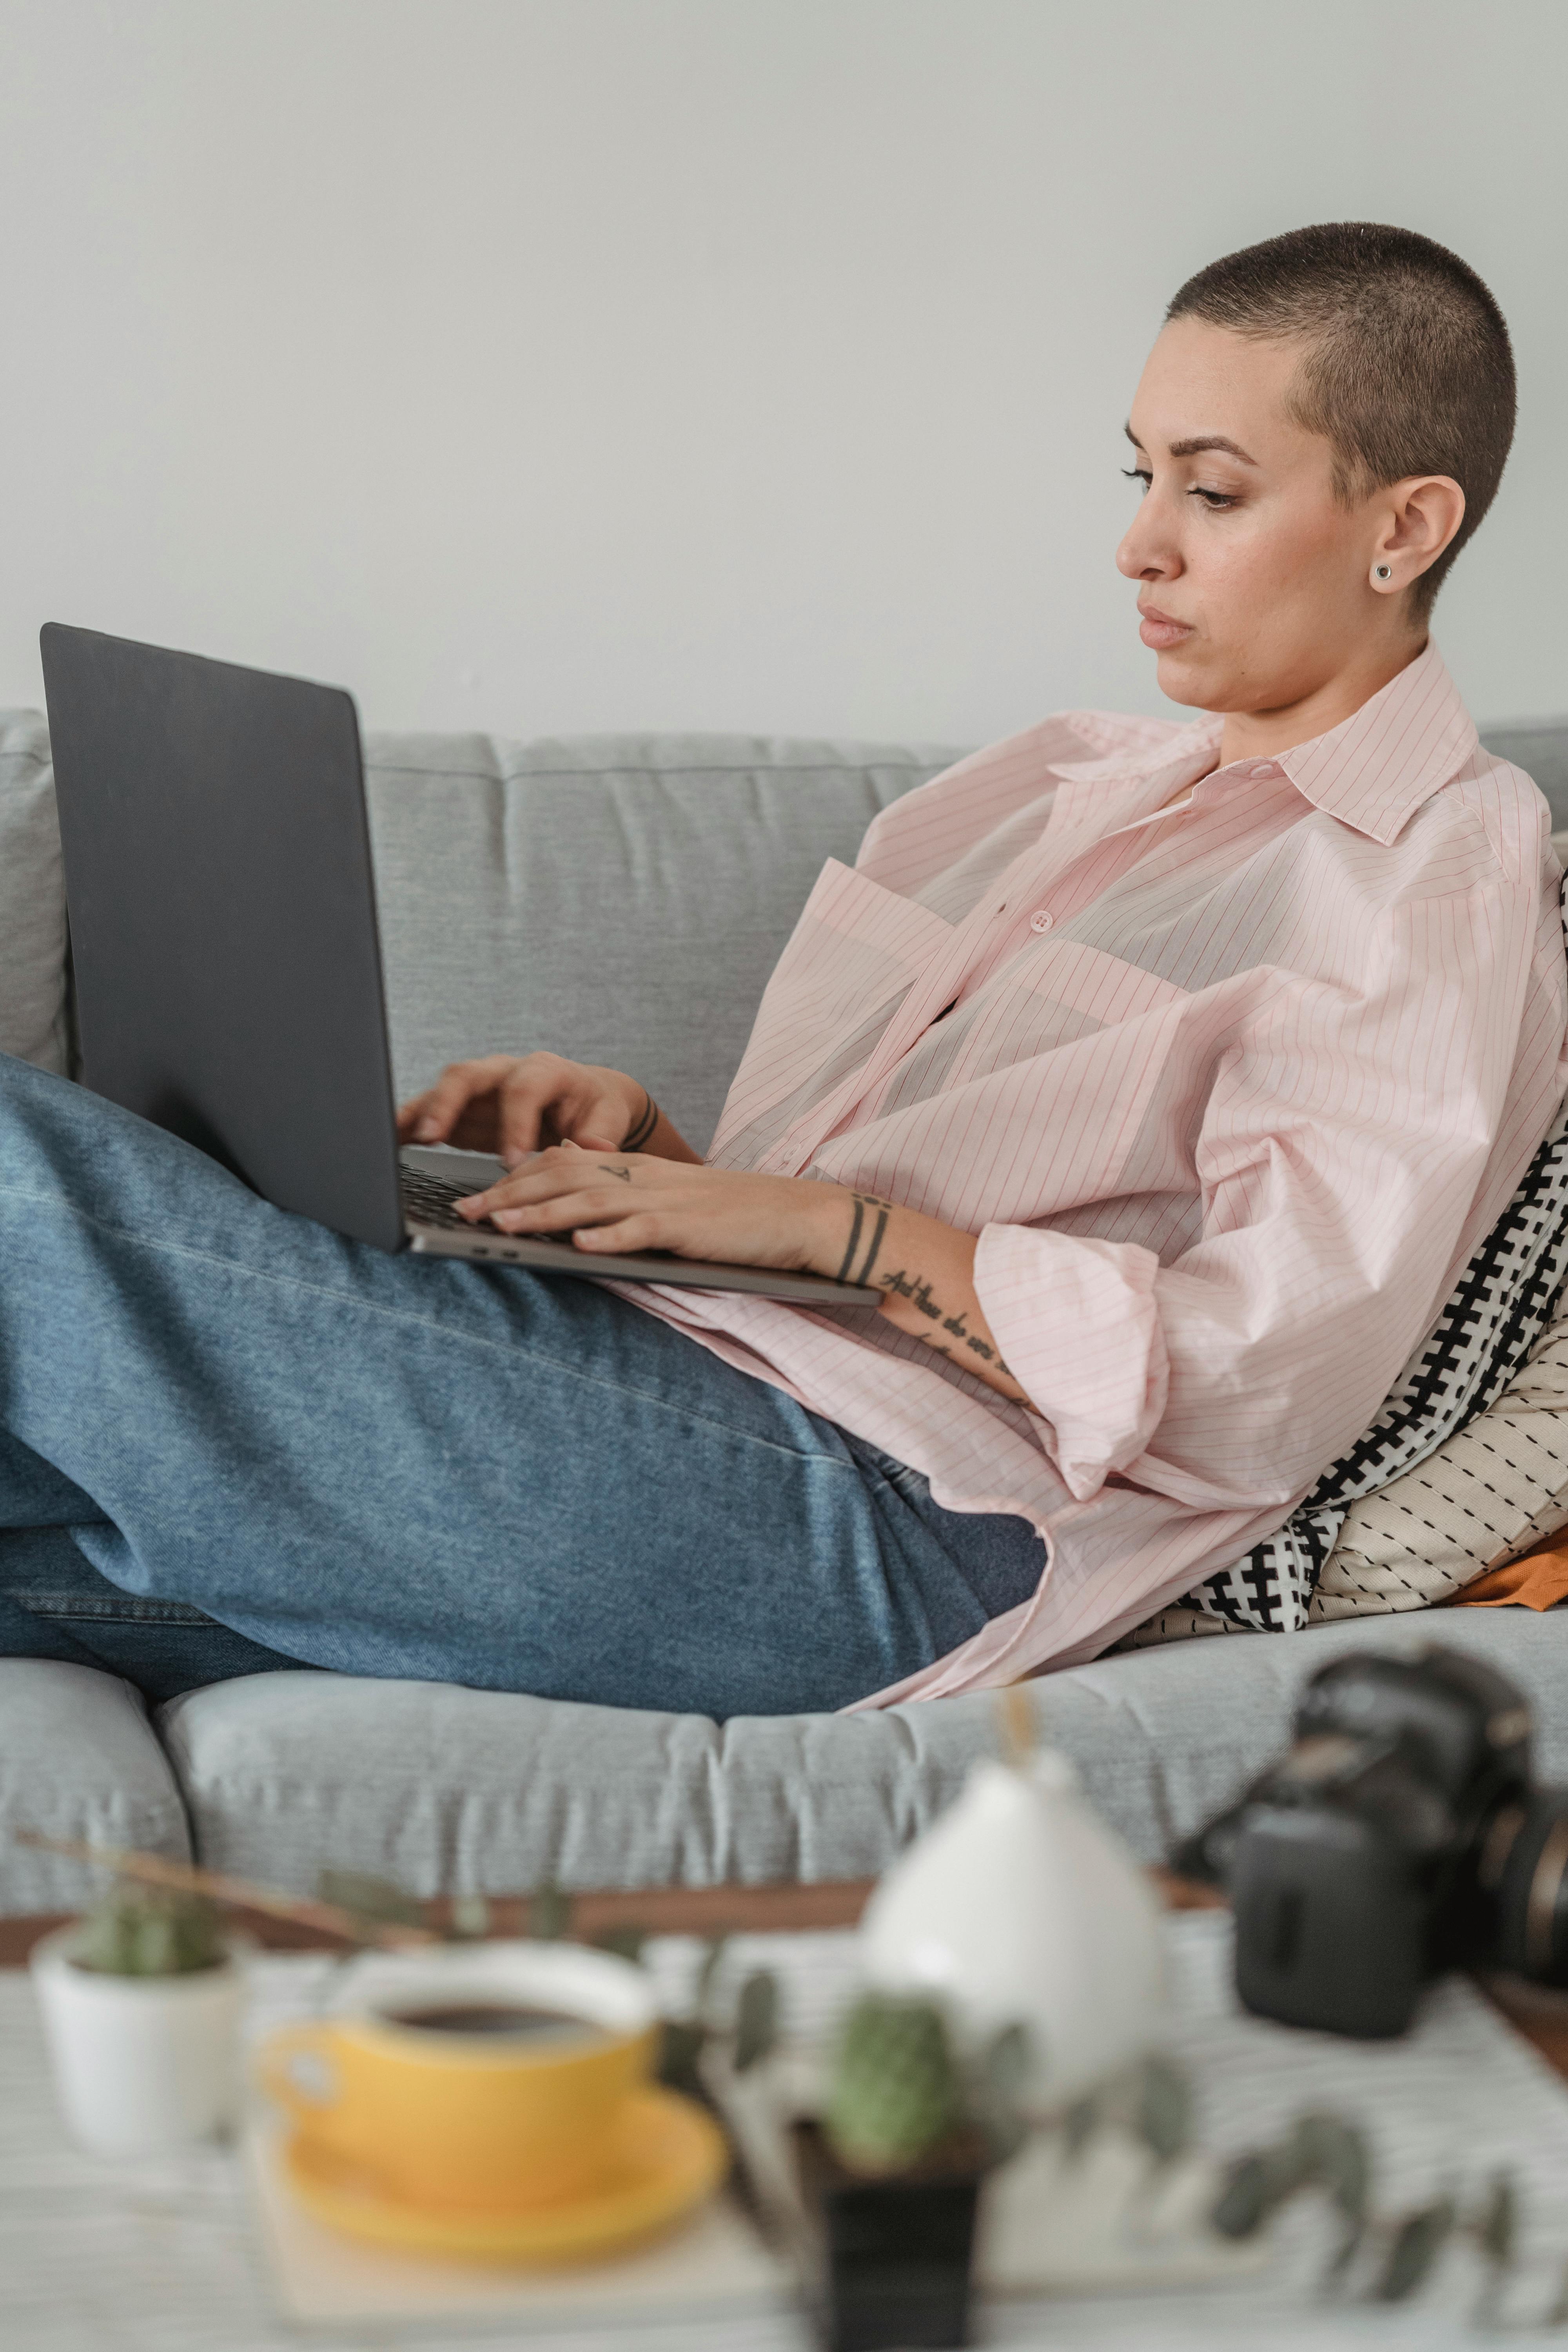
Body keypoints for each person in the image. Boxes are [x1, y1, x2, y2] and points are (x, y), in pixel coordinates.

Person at [2, 222, 1562, 1718]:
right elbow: (850, 1225)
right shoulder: (1059, 783)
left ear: (1403, 528)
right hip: (711, 1390)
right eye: (1141, 473)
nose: (1137, 543)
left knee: (20, 1165)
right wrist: (673, 1171)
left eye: (1211, 494)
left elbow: (1252, 1389)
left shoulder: (1438, 866)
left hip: (904, 1522)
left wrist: (837, 1230)